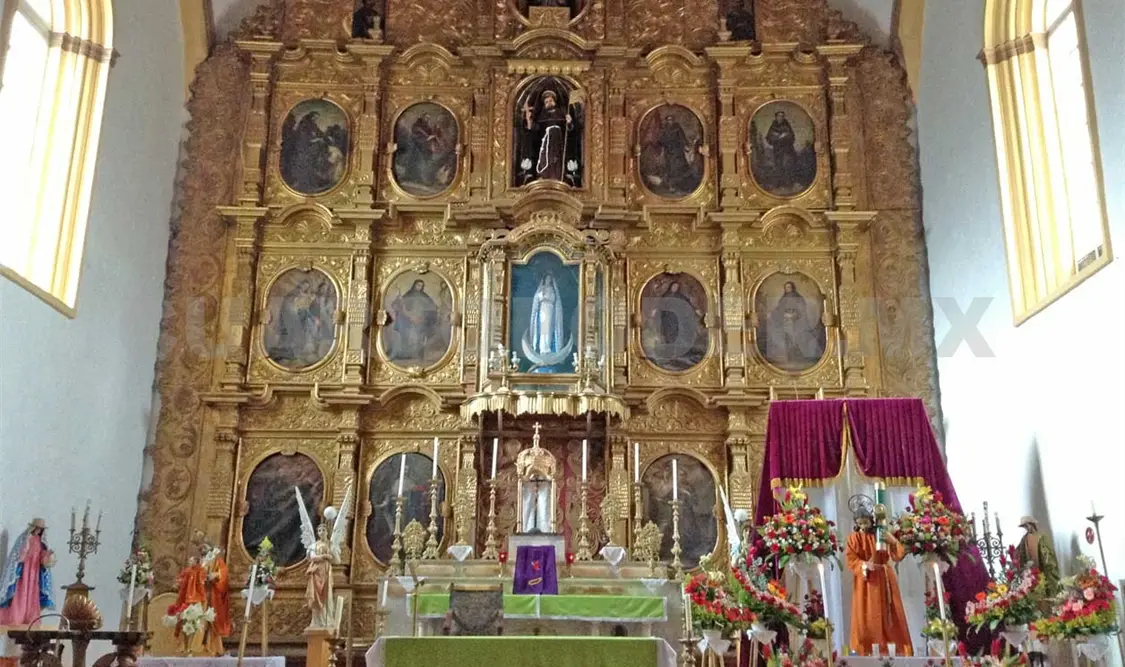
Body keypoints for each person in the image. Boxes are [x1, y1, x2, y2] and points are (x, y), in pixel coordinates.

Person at [845, 497, 912, 656]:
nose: (863, 527)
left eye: (866, 523)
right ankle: (867, 651)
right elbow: (851, 560)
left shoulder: (881, 533)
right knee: (866, 616)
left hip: (884, 578)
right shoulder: (853, 538)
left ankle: (895, 650)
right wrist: (863, 565)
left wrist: (893, 541)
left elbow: (898, 554)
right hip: (866, 582)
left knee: (890, 615)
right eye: (860, 524)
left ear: (871, 520)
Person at [0, 518, 55, 626]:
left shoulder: (41, 542)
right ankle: (18, 615)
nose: (38, 530)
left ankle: (30, 616)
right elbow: (19, 555)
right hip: (25, 570)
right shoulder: (26, 538)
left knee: (33, 593)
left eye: (41, 529)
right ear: (33, 527)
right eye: (37, 528)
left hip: (34, 571)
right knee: (22, 591)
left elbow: (42, 558)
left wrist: (47, 556)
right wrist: (26, 549)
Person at [524, 90, 572, 181]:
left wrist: (569, 122)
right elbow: (535, 129)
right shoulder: (542, 115)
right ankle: (544, 175)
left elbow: (569, 130)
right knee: (545, 159)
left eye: (550, 101)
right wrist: (529, 120)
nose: (549, 103)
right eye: (546, 102)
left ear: (554, 102)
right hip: (545, 143)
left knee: (557, 159)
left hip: (558, 142)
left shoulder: (562, 113)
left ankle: (557, 176)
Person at [388, 279, 439, 362]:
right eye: (418, 285)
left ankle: (419, 354)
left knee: (421, 336)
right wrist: (399, 301)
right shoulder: (409, 294)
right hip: (408, 318)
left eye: (421, 286)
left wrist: (428, 313)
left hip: (420, 318)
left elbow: (432, 305)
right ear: (414, 285)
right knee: (406, 335)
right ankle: (406, 354)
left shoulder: (424, 296)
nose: (419, 287)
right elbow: (400, 304)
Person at [1014, 516, 1060, 595]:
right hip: (1032, 570)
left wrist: (1046, 559)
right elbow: (1019, 551)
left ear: (1032, 524)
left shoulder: (1042, 536)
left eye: (1026, 526)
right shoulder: (1025, 538)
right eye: (1024, 527)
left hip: (1043, 567)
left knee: (1047, 585)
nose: (1026, 528)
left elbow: (1049, 552)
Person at [764, 111, 797, 180]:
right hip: (777, 148)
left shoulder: (787, 124)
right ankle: (780, 180)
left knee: (788, 162)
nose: (780, 117)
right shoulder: (773, 125)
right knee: (778, 164)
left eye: (782, 116)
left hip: (787, 148)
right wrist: (777, 136)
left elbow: (791, 135)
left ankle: (790, 179)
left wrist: (785, 135)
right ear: (776, 117)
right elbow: (769, 136)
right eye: (779, 116)